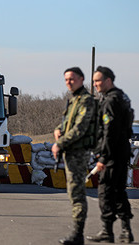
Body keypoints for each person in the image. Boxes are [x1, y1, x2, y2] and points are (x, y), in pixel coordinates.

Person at [86, 66, 134, 243]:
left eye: (97, 81)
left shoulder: (110, 101)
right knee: (119, 191)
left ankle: (107, 230)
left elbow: (110, 131)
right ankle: (126, 230)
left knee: (105, 191)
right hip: (122, 152)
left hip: (112, 154)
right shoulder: (122, 96)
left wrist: (103, 157)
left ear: (108, 81)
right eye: (94, 81)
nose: (95, 84)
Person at [52, 67, 97, 245]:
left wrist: (60, 144)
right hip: (70, 152)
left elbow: (80, 128)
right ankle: (76, 232)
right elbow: (67, 123)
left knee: (77, 192)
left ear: (81, 79)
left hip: (78, 152)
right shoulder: (74, 100)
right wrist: (58, 130)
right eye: (66, 80)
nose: (68, 82)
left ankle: (78, 234)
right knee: (73, 192)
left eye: (72, 79)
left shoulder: (86, 101)